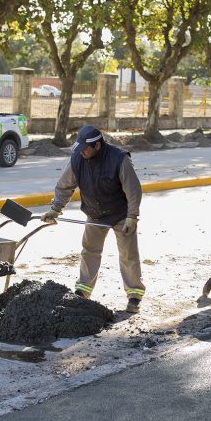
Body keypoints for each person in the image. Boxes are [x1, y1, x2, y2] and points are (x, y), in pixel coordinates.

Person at [42, 125, 145, 314]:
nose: (81, 151)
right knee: (89, 251)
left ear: (97, 145)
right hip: (95, 213)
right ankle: (83, 290)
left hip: (120, 215)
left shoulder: (119, 159)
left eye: (85, 147)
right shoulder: (77, 158)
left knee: (128, 254)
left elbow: (133, 190)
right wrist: (56, 209)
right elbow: (65, 186)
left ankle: (134, 295)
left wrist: (132, 216)